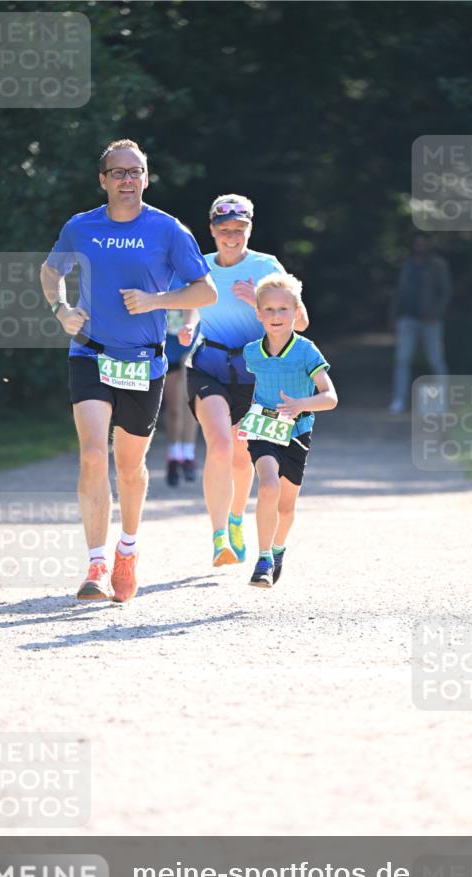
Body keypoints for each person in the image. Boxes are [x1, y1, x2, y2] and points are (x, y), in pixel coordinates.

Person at [40, 139, 217, 602]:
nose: (126, 180)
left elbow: (205, 293)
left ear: (146, 177)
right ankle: (96, 563)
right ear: (102, 180)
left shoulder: (168, 230)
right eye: (117, 172)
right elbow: (49, 272)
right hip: (90, 354)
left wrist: (158, 302)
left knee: (131, 466)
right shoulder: (81, 227)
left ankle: (127, 550)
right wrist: (61, 310)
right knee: (94, 455)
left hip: (144, 361)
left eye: (135, 172)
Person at [180, 194, 309, 567]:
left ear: (249, 229)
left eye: (239, 230)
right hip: (208, 367)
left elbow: (300, 323)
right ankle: (220, 535)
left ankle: (236, 519)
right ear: (212, 230)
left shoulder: (267, 267)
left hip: (255, 375)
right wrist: (188, 326)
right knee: (219, 444)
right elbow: (188, 309)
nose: (232, 237)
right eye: (224, 230)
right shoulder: (200, 267)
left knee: (241, 456)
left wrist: (258, 302)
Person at [240, 273, 337, 588]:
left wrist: (300, 404)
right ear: (258, 313)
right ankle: (264, 557)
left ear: (297, 312)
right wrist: (247, 416)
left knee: (286, 505)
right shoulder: (251, 352)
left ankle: (279, 547)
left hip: (297, 431)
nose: (276, 316)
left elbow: (330, 398)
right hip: (263, 430)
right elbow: (253, 387)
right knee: (267, 486)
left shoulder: (307, 351)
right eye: (268, 309)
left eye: (283, 309)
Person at [388, 234, 451, 414]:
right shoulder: (407, 265)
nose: (420, 247)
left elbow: (445, 293)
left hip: (430, 321)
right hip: (407, 319)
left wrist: (436, 313)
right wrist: (394, 316)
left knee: (436, 360)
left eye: (424, 244)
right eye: (418, 244)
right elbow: (399, 292)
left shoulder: (438, 265)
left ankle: (442, 402)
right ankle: (399, 399)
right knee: (402, 359)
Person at [163, 309, 199, 486]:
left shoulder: (194, 281)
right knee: (174, 407)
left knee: (190, 403)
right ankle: (174, 455)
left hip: (190, 345)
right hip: (167, 348)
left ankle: (189, 455)